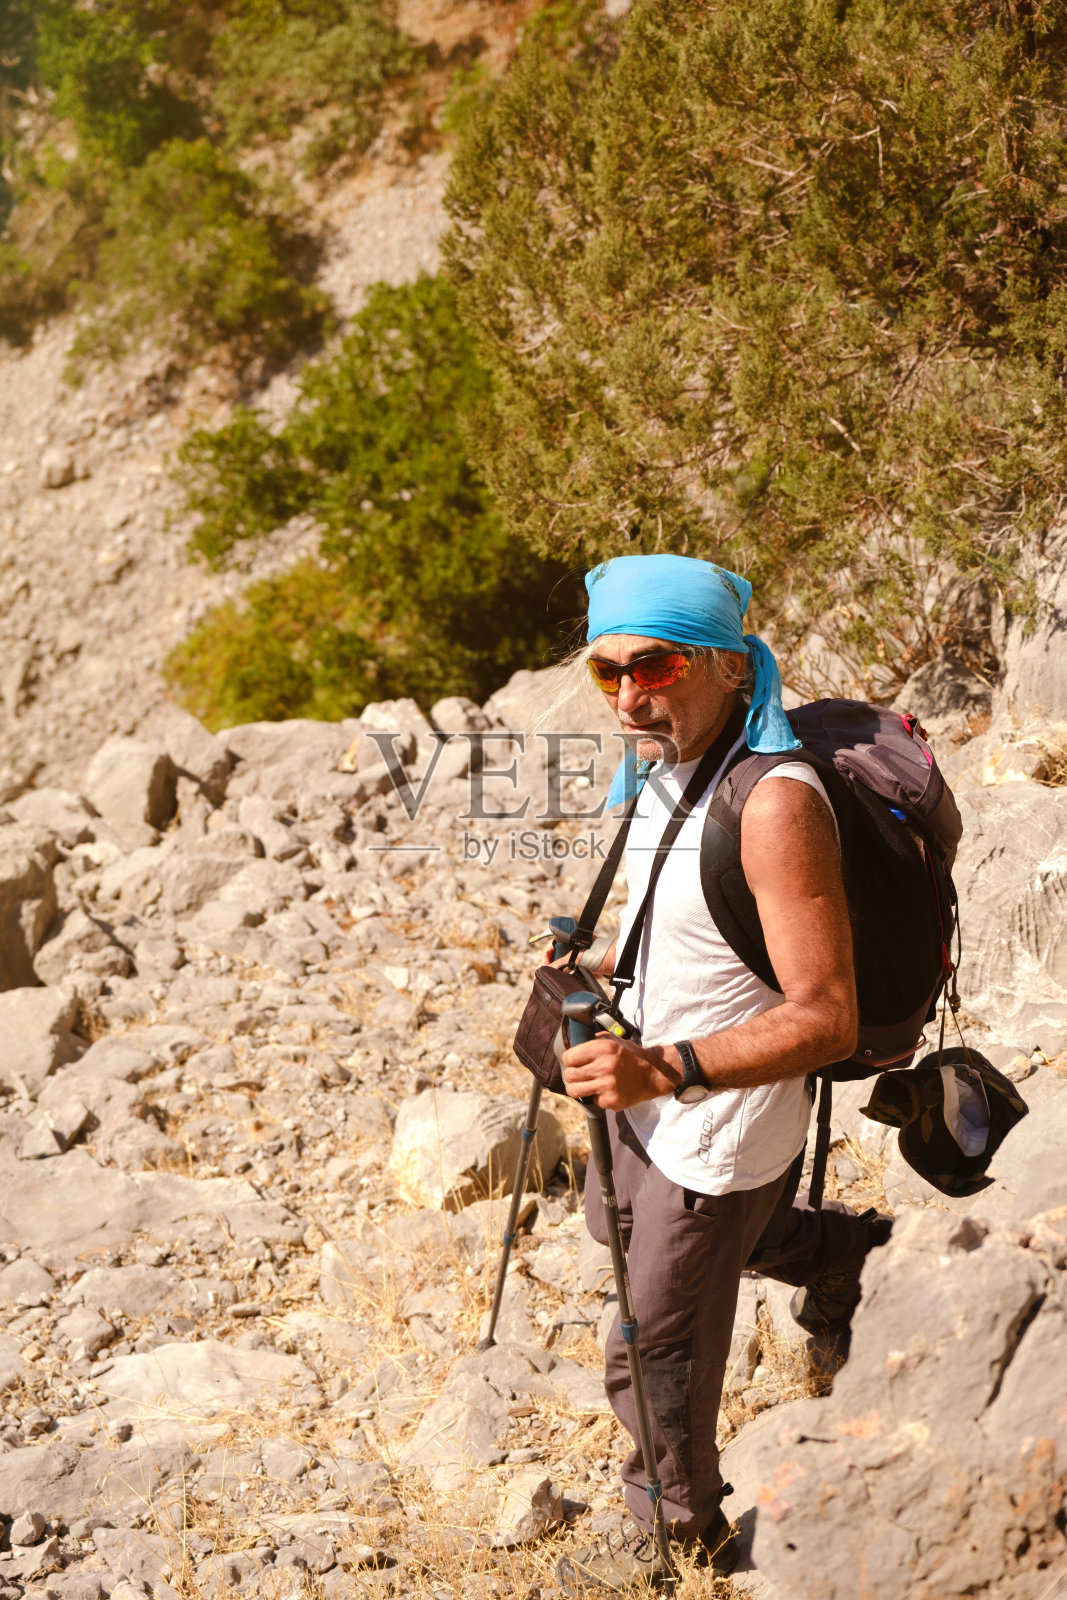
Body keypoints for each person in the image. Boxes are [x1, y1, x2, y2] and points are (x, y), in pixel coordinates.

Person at [548, 553, 891, 1595]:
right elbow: (696, 920)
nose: (625, 695)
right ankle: (850, 1253)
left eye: (649, 666)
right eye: (605, 672)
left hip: (715, 1121)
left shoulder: (775, 800)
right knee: (638, 1237)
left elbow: (825, 1016)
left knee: (647, 1344)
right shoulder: (668, 763)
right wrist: (607, 960)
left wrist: (663, 1066)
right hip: (652, 1095)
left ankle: (675, 1540)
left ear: (727, 668)